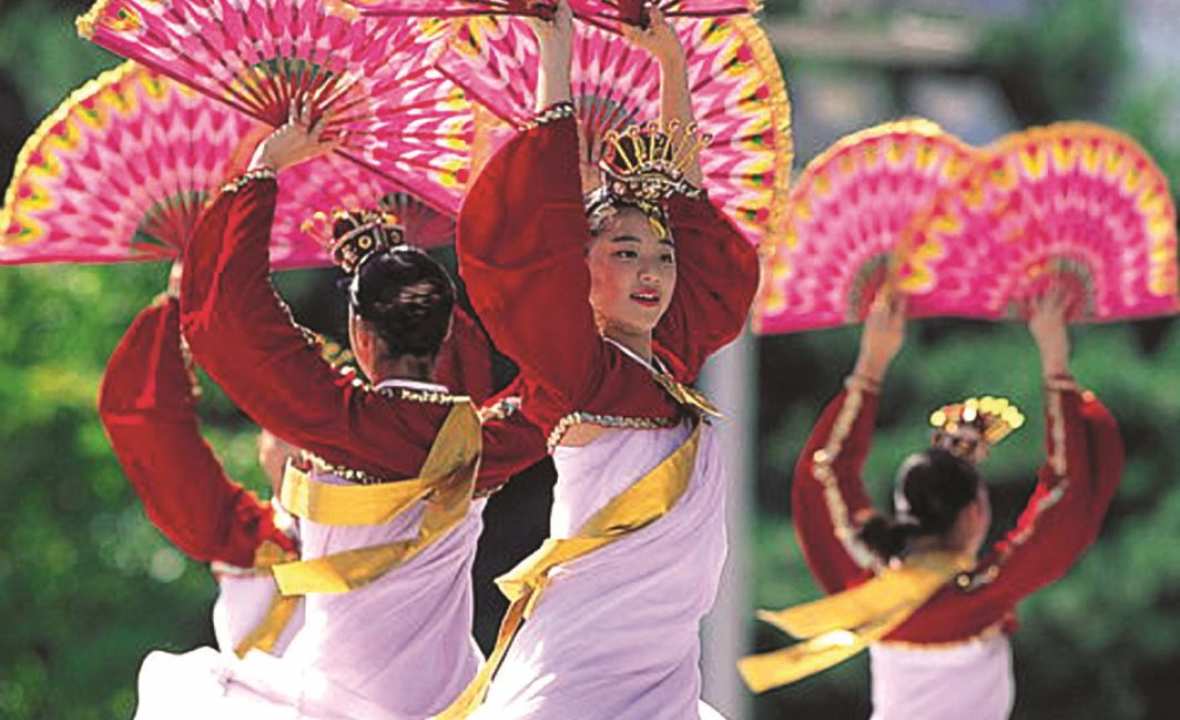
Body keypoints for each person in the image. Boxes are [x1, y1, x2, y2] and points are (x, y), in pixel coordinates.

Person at [130, 109, 546, 718]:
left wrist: (263, 170)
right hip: (450, 705)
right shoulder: (481, 440)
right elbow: (559, 384)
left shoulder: (337, 424)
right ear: (447, 332)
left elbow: (230, 321)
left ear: (359, 334)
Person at [443, 2, 760, 717]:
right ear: (578, 269)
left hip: (667, 671)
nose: (651, 273)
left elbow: (694, 217)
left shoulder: (667, 364)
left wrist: (671, 63)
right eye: (624, 254)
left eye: (661, 257)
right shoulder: (580, 371)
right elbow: (533, 235)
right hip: (585, 667)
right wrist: (555, 55)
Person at [740, 291, 1124, 720]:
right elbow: (1067, 500)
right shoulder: (981, 595)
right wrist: (1056, 361)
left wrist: (871, 364)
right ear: (974, 515)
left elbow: (823, 475)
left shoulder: (869, 592)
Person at [98, 264, 302, 657]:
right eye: (282, 419)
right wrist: (176, 310)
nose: (302, 443)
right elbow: (147, 423)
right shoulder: (246, 535)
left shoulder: (407, 518)